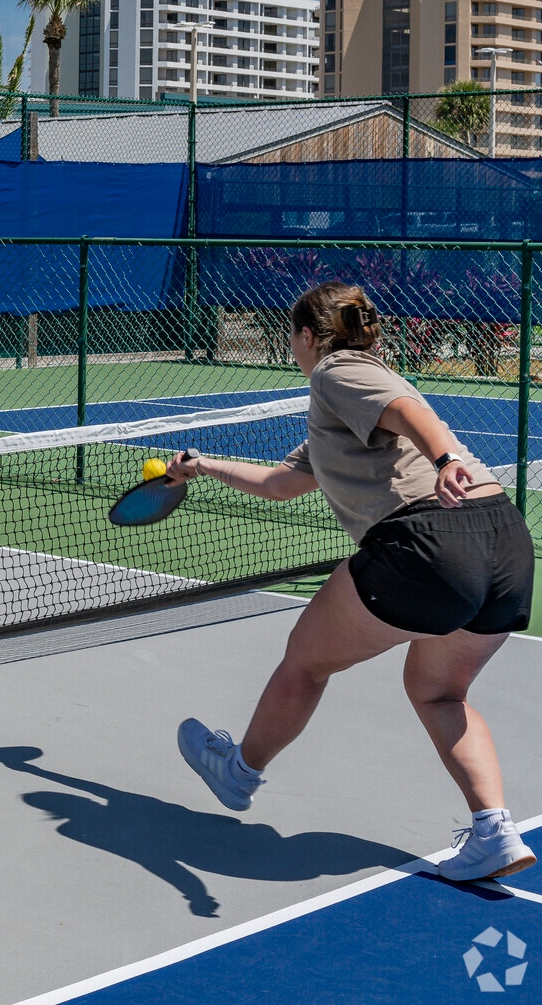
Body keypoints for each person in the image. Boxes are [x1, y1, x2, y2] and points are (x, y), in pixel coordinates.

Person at [169, 281, 533, 882]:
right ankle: (493, 830)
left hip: (429, 544)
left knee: (304, 660)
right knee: (438, 691)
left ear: (309, 336)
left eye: (293, 336)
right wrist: (201, 466)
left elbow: (408, 411)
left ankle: (237, 772)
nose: (294, 348)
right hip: (505, 544)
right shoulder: (339, 412)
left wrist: (446, 463)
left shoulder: (337, 372)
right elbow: (282, 482)